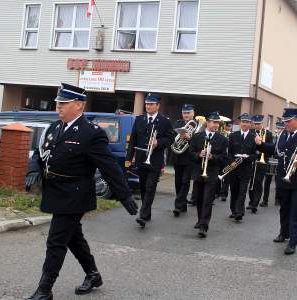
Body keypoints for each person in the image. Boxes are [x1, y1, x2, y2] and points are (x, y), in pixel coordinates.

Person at [24, 83, 138, 300]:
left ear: (78, 105)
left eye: (63, 103)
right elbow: (38, 154)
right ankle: (93, 274)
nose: (58, 107)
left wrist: (124, 195)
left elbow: (109, 167)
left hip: (75, 194)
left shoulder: (91, 133)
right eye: (58, 103)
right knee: (73, 237)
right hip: (55, 191)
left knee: (56, 241)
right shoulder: (54, 128)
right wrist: (33, 170)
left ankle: (44, 290)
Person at [255, 108, 297, 255]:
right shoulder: (284, 134)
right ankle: (283, 233)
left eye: (288, 122)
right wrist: (261, 145)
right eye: (284, 122)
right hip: (283, 178)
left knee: (296, 211)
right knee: (284, 209)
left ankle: (293, 242)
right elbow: (275, 150)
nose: (285, 125)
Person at [125, 93, 175, 228]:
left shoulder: (165, 121)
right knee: (142, 187)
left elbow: (171, 139)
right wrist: (129, 158)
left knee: (150, 187)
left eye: (151, 104)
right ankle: (147, 213)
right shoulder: (139, 119)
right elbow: (133, 140)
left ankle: (142, 215)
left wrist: (158, 142)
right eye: (147, 104)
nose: (148, 106)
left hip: (155, 160)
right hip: (141, 159)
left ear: (158, 106)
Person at [189, 112, 227, 237]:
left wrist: (213, 157)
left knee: (207, 199)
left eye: (218, 123)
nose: (216, 125)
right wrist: (198, 155)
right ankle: (200, 220)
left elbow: (224, 157)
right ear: (208, 122)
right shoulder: (197, 136)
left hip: (212, 172)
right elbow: (190, 153)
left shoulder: (222, 139)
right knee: (199, 199)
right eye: (214, 122)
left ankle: (204, 226)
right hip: (198, 171)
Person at [227, 113, 258, 222]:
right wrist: (231, 162)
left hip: (246, 168)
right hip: (234, 168)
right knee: (234, 190)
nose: (245, 124)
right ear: (240, 123)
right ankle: (233, 210)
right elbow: (229, 152)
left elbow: (256, 154)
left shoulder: (254, 137)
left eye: (247, 122)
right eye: (243, 122)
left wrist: (247, 158)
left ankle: (239, 212)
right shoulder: (233, 135)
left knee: (242, 191)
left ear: (250, 124)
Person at [172, 104, 196, 217]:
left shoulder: (198, 125)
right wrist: (179, 137)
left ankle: (178, 205)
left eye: (188, 113)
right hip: (178, 157)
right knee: (178, 182)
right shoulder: (178, 123)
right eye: (184, 113)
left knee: (185, 181)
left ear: (193, 113)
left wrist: (190, 138)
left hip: (189, 158)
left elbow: (199, 143)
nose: (186, 115)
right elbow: (173, 137)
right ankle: (183, 205)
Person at [247, 115, 273, 213]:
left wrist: (262, 145)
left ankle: (255, 204)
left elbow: (271, 148)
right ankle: (251, 201)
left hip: (263, 160)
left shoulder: (268, 134)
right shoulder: (251, 133)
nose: (257, 126)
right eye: (256, 124)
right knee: (251, 182)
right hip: (252, 160)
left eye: (259, 124)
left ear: (262, 123)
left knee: (258, 182)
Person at [218, 120, 233, 202]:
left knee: (227, 177)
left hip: (228, 158)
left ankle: (224, 194)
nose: (228, 127)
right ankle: (217, 192)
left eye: (229, 126)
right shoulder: (221, 134)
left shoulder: (232, 135)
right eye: (227, 126)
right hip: (221, 157)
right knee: (218, 174)